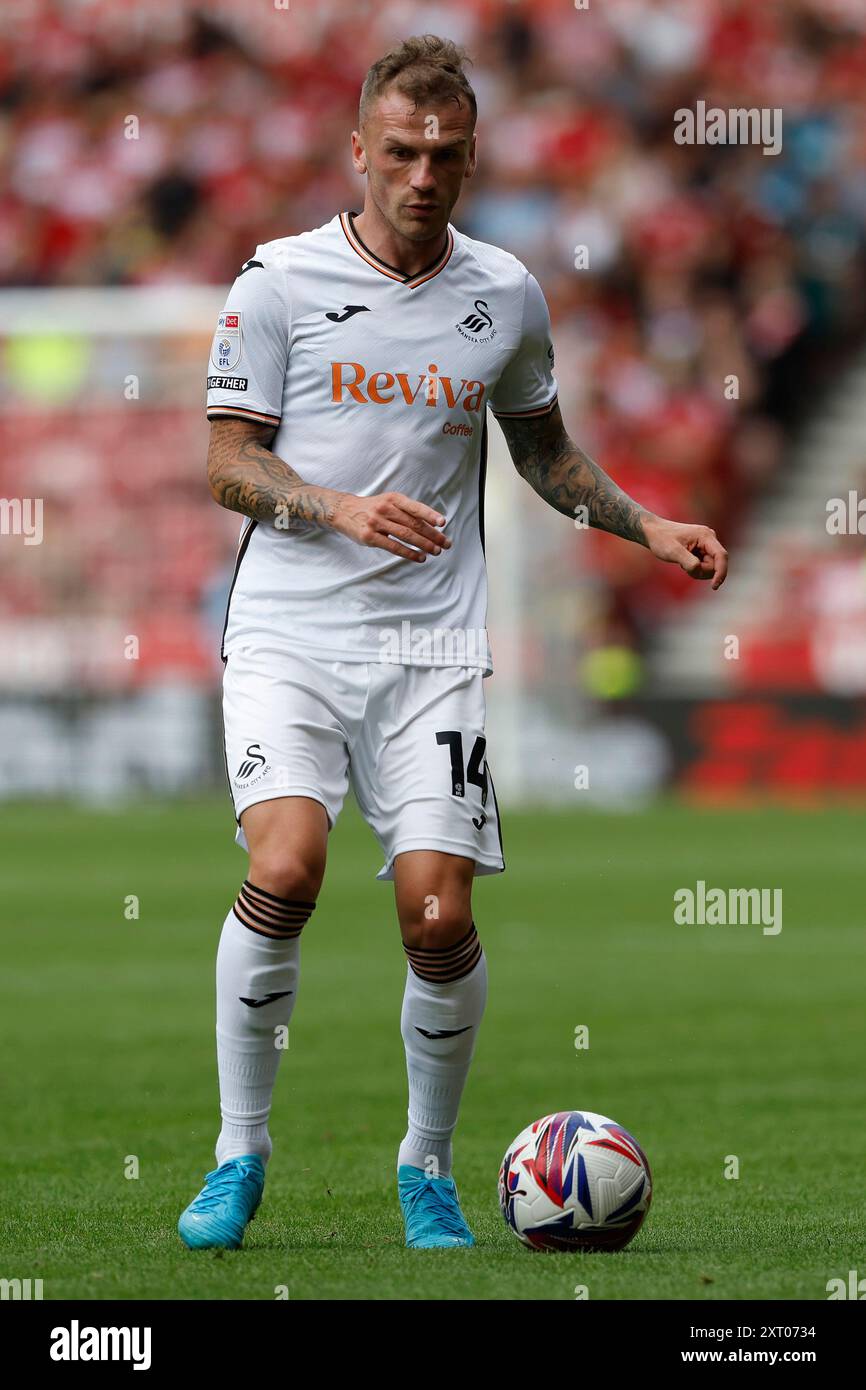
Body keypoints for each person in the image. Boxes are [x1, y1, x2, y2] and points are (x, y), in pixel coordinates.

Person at [178, 33, 727, 1252]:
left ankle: (424, 1167)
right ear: (357, 151)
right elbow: (224, 462)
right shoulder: (274, 283)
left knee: (434, 918)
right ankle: (238, 1151)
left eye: (444, 155)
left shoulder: (504, 293)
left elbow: (541, 452)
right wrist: (334, 506)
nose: (420, 175)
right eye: (400, 152)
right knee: (285, 869)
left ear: (470, 159)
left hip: (431, 650)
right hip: (290, 634)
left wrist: (644, 525)